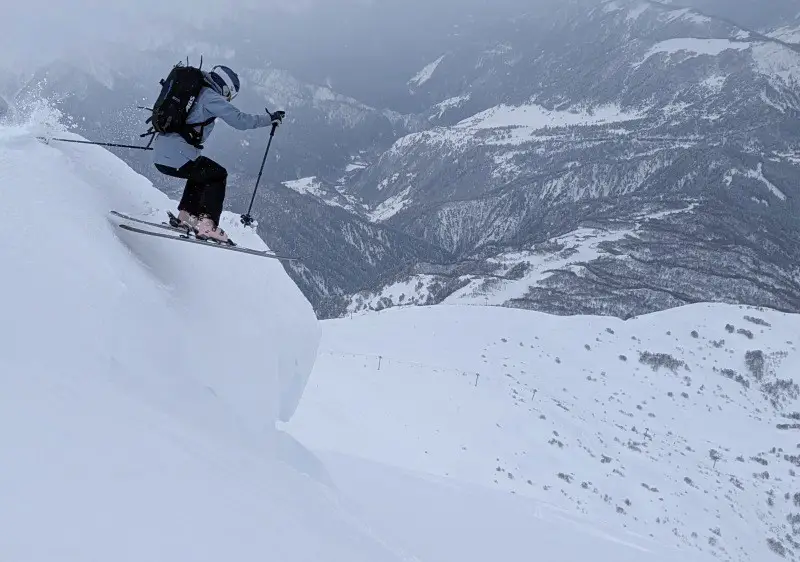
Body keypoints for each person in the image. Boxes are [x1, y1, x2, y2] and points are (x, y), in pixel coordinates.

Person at [152, 64, 281, 243]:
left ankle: (186, 217)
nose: (228, 99)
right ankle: (207, 226)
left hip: (161, 154)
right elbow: (240, 121)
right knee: (217, 175)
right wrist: (269, 119)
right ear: (226, 89)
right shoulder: (210, 96)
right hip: (177, 156)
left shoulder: (193, 90)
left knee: (201, 172)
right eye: (230, 95)